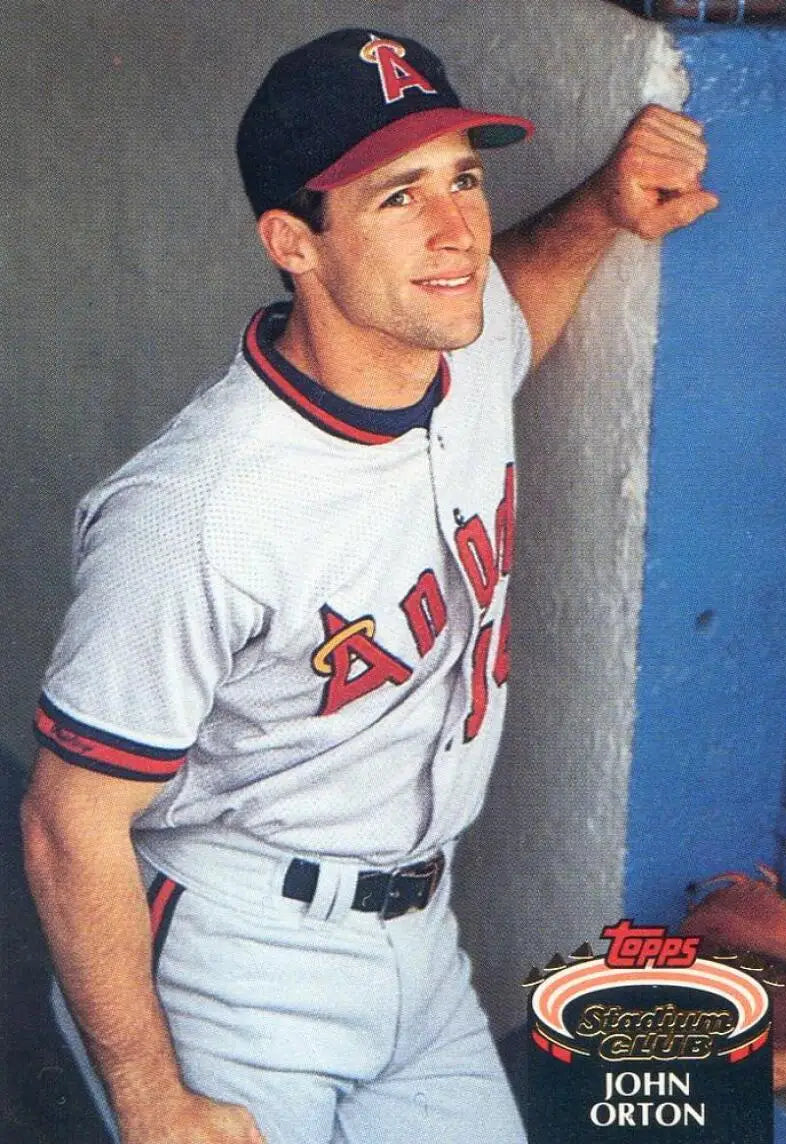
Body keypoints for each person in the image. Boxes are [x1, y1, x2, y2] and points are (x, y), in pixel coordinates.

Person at [21, 27, 716, 1144]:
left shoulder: (462, 343)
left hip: (424, 953)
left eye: (464, 177)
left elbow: (516, 287)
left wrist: (602, 204)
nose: (457, 230)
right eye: (398, 198)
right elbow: (67, 822)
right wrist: (152, 1096)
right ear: (292, 240)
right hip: (233, 963)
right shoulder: (194, 511)